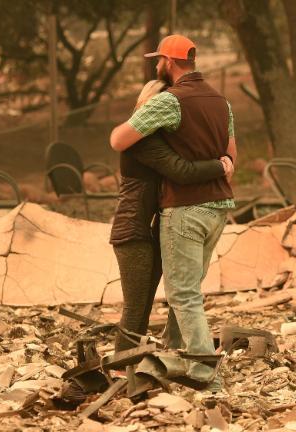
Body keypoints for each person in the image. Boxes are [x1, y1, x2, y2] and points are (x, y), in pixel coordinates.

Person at [109, 34, 236, 394]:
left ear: (170, 61)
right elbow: (231, 155)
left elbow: (119, 139)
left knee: (181, 295)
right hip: (215, 208)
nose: (157, 65)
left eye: (159, 59)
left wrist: (143, 116)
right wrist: (221, 165)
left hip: (185, 210)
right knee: (184, 292)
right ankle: (166, 358)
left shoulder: (170, 102)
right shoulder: (221, 101)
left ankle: (204, 372)